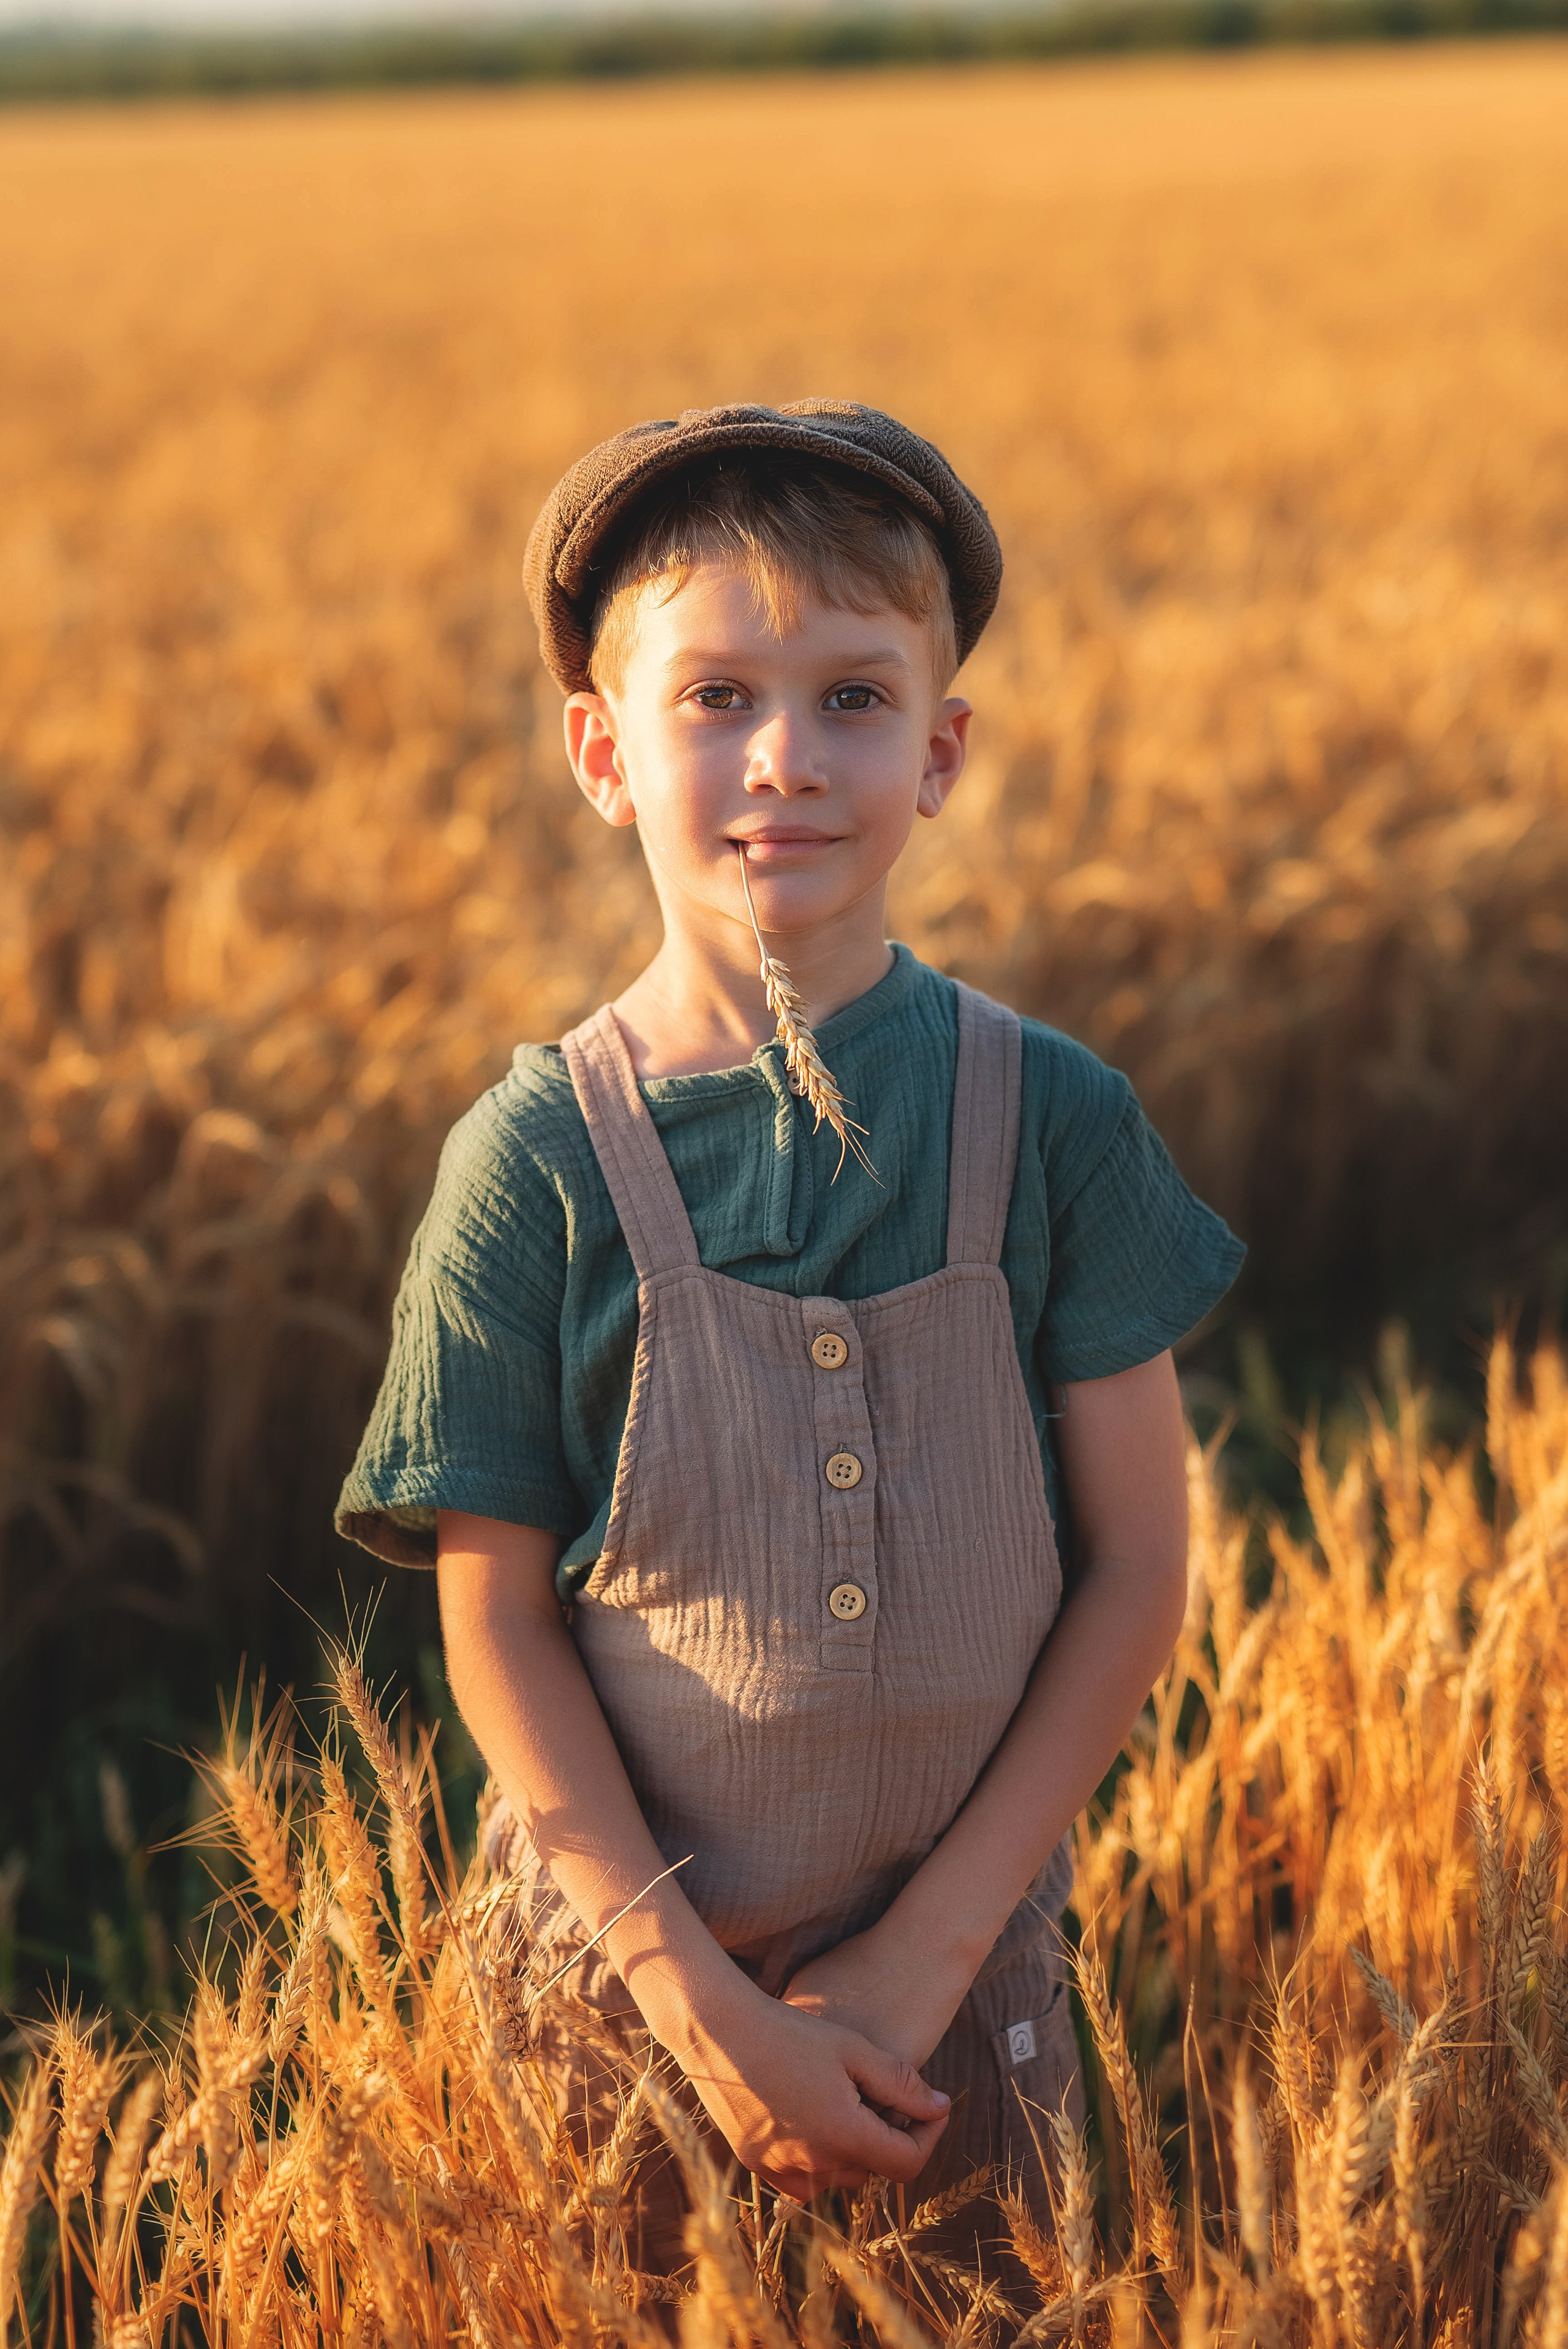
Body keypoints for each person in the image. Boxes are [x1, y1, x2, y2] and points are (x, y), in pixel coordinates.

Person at [337, 399, 1243, 2277]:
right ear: (600, 750)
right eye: (715, 696)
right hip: (611, 2019)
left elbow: (1142, 1569)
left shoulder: (1051, 1119)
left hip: (954, 2016)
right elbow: (492, 1623)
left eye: (852, 697)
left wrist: (921, 1960)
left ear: (942, 752)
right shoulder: (534, 1162)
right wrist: (701, 2010)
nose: (784, 760)